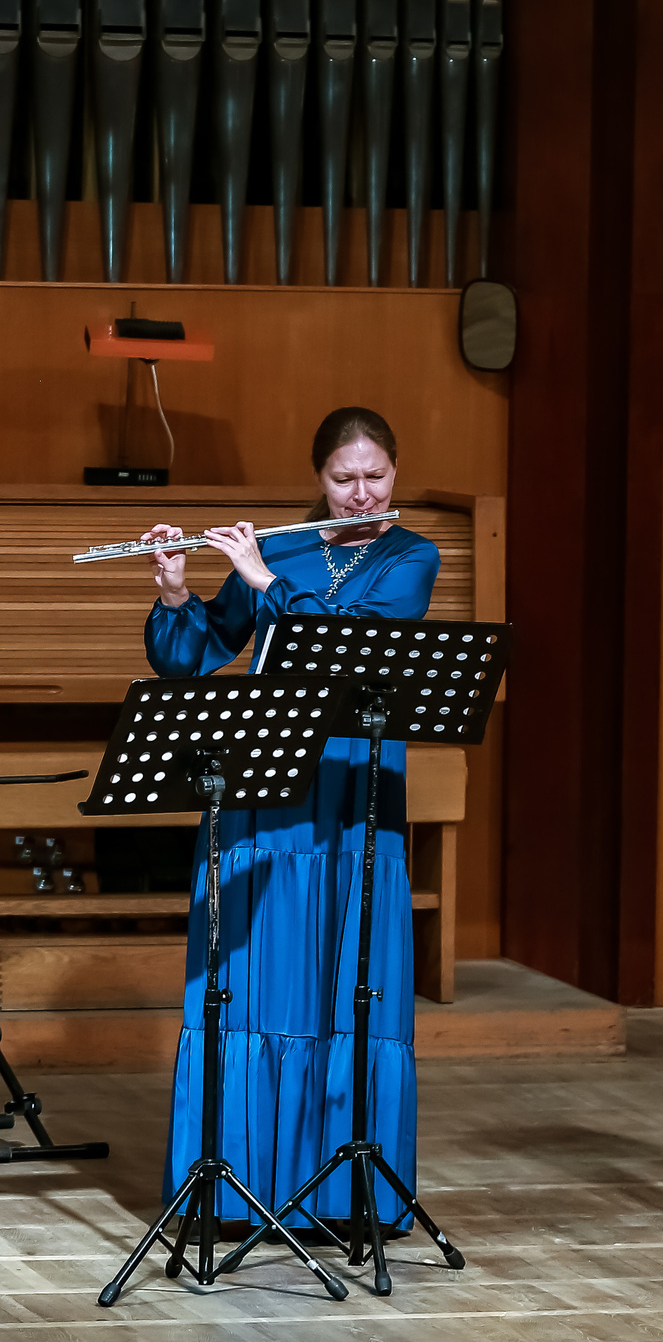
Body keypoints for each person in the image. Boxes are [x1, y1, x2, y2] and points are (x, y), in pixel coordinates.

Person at [141, 407, 440, 1229]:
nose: (361, 493)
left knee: (346, 978)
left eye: (375, 475)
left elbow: (353, 645)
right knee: (252, 978)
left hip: (353, 786)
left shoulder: (412, 555)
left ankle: (343, 1193)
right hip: (268, 776)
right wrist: (177, 591)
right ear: (319, 477)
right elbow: (193, 657)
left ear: (395, 471)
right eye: (344, 478)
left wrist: (265, 578)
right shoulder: (284, 545)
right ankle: (237, 1185)